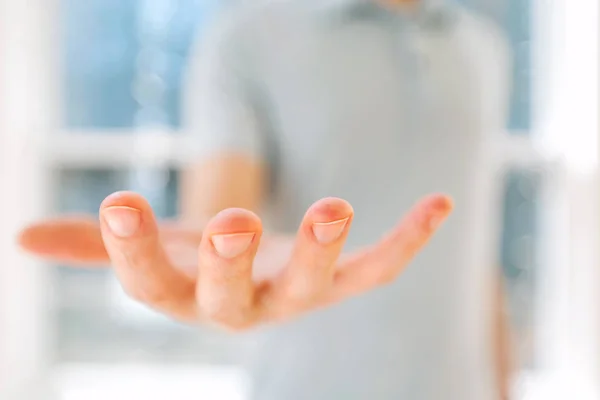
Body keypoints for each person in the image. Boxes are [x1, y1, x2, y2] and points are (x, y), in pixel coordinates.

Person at [19, 0, 514, 398]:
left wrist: (503, 386)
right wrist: (217, 273)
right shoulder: (249, 36)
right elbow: (218, 215)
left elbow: (473, 246)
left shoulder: (479, 46)